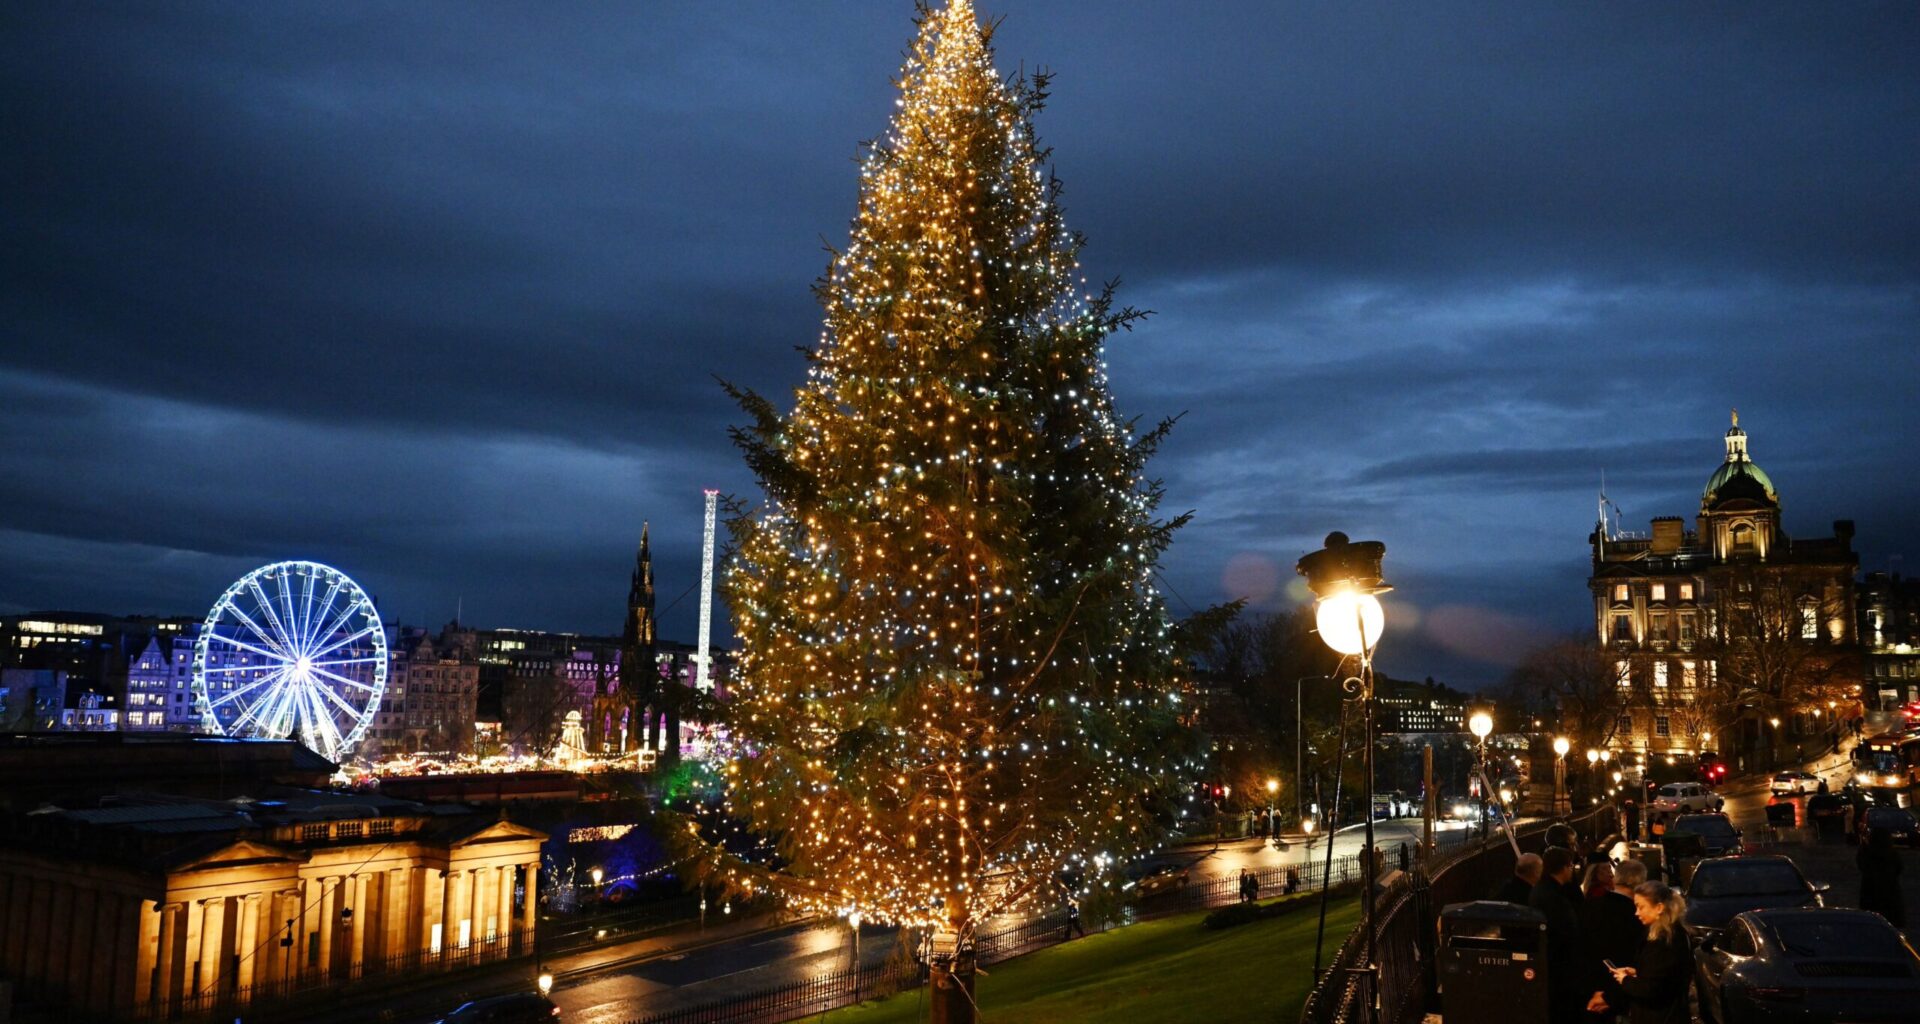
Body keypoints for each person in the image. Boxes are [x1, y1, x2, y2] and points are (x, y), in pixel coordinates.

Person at [1602, 881, 1690, 1024]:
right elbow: (1662, 976)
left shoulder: (1665, 940)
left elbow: (1652, 989)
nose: (1636, 913)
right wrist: (1637, 972)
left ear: (1659, 908)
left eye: (1640, 907)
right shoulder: (1667, 934)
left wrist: (1625, 979)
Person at [1531, 847, 1590, 1024]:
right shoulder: (1555, 898)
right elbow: (1569, 932)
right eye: (1571, 865)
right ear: (1565, 867)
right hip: (1559, 970)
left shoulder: (1542, 890)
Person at [1580, 860, 1641, 1021]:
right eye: (1606, 871)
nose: (1610, 874)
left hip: (1597, 975)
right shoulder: (1621, 906)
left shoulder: (1589, 901)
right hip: (1614, 974)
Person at [1858, 827, 1906, 927]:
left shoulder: (1868, 853)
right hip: (1890, 894)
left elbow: (1861, 865)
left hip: (1870, 894)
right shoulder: (1892, 854)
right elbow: (1899, 868)